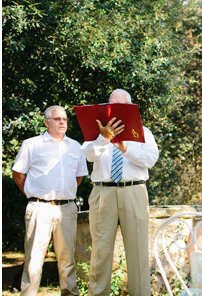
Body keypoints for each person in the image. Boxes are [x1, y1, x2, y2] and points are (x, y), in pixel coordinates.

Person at [81, 89, 159, 296]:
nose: (115, 109)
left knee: (138, 251)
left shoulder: (144, 132)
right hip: (102, 193)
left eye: (120, 105)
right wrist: (102, 139)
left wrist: (125, 148)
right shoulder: (95, 131)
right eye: (111, 105)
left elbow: (150, 160)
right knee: (101, 252)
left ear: (130, 107)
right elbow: (88, 155)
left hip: (133, 191)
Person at [12, 106, 88, 296]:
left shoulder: (76, 146)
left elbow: (78, 177)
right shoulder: (31, 144)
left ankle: (70, 293)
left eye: (64, 119)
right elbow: (18, 173)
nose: (62, 122)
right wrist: (32, 194)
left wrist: (65, 193)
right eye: (57, 119)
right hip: (40, 208)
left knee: (67, 259)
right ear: (46, 122)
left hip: (67, 208)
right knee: (34, 259)